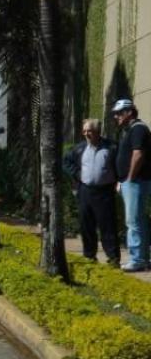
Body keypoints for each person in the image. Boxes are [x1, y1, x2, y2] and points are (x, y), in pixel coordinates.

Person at [63, 119, 120, 267]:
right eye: (84, 131)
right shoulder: (80, 148)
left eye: (89, 131)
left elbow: (120, 166)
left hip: (104, 192)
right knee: (86, 225)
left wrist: (119, 180)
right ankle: (89, 256)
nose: (86, 134)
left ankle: (113, 258)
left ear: (97, 132)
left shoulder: (111, 147)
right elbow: (66, 162)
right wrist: (76, 173)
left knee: (107, 226)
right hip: (85, 191)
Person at [112, 98, 151, 272]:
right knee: (139, 221)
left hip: (135, 182)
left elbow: (138, 154)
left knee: (133, 221)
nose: (116, 116)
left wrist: (128, 178)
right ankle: (142, 259)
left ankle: (136, 259)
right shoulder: (132, 130)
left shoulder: (138, 129)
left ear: (129, 112)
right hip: (132, 182)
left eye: (119, 113)